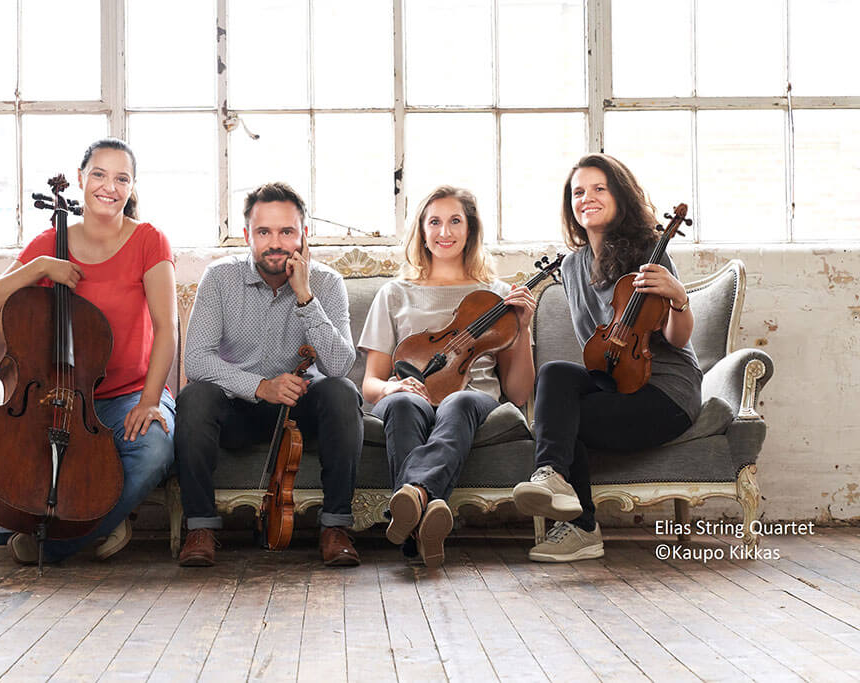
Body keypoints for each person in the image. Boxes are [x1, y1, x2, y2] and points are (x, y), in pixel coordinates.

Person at [0, 137, 177, 564]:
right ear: (81, 179)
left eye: (122, 178)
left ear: (132, 186)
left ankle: (57, 542)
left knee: (154, 448)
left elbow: (166, 329)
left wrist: (150, 401)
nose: (109, 187)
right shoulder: (51, 242)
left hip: (126, 395)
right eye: (99, 174)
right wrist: (41, 267)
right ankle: (97, 523)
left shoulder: (149, 240)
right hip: (51, 394)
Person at [512, 153, 702, 562]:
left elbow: (677, 337)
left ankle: (580, 528)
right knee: (557, 374)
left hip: (664, 392)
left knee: (567, 418)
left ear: (619, 197)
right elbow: (596, 351)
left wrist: (678, 296)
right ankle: (551, 478)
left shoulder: (650, 252)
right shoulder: (573, 266)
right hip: (617, 383)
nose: (587, 198)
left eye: (599, 189)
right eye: (578, 192)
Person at [174, 181, 363, 568]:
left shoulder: (326, 283)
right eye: (264, 232)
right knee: (194, 398)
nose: (275, 243)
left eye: (286, 232)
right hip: (236, 410)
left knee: (342, 392)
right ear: (247, 236)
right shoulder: (219, 278)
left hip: (299, 411)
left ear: (303, 235)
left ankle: (335, 527)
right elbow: (196, 359)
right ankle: (200, 528)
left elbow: (340, 366)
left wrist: (305, 296)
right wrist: (261, 386)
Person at [358, 186, 537, 568]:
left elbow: (519, 392)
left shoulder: (499, 296)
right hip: (409, 392)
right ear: (421, 232)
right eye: (434, 221)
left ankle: (414, 497)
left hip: (474, 399)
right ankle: (424, 517)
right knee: (404, 403)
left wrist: (521, 329)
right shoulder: (394, 294)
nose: (445, 231)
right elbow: (371, 383)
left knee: (458, 400)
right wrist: (393, 385)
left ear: (470, 229)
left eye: (456, 220)